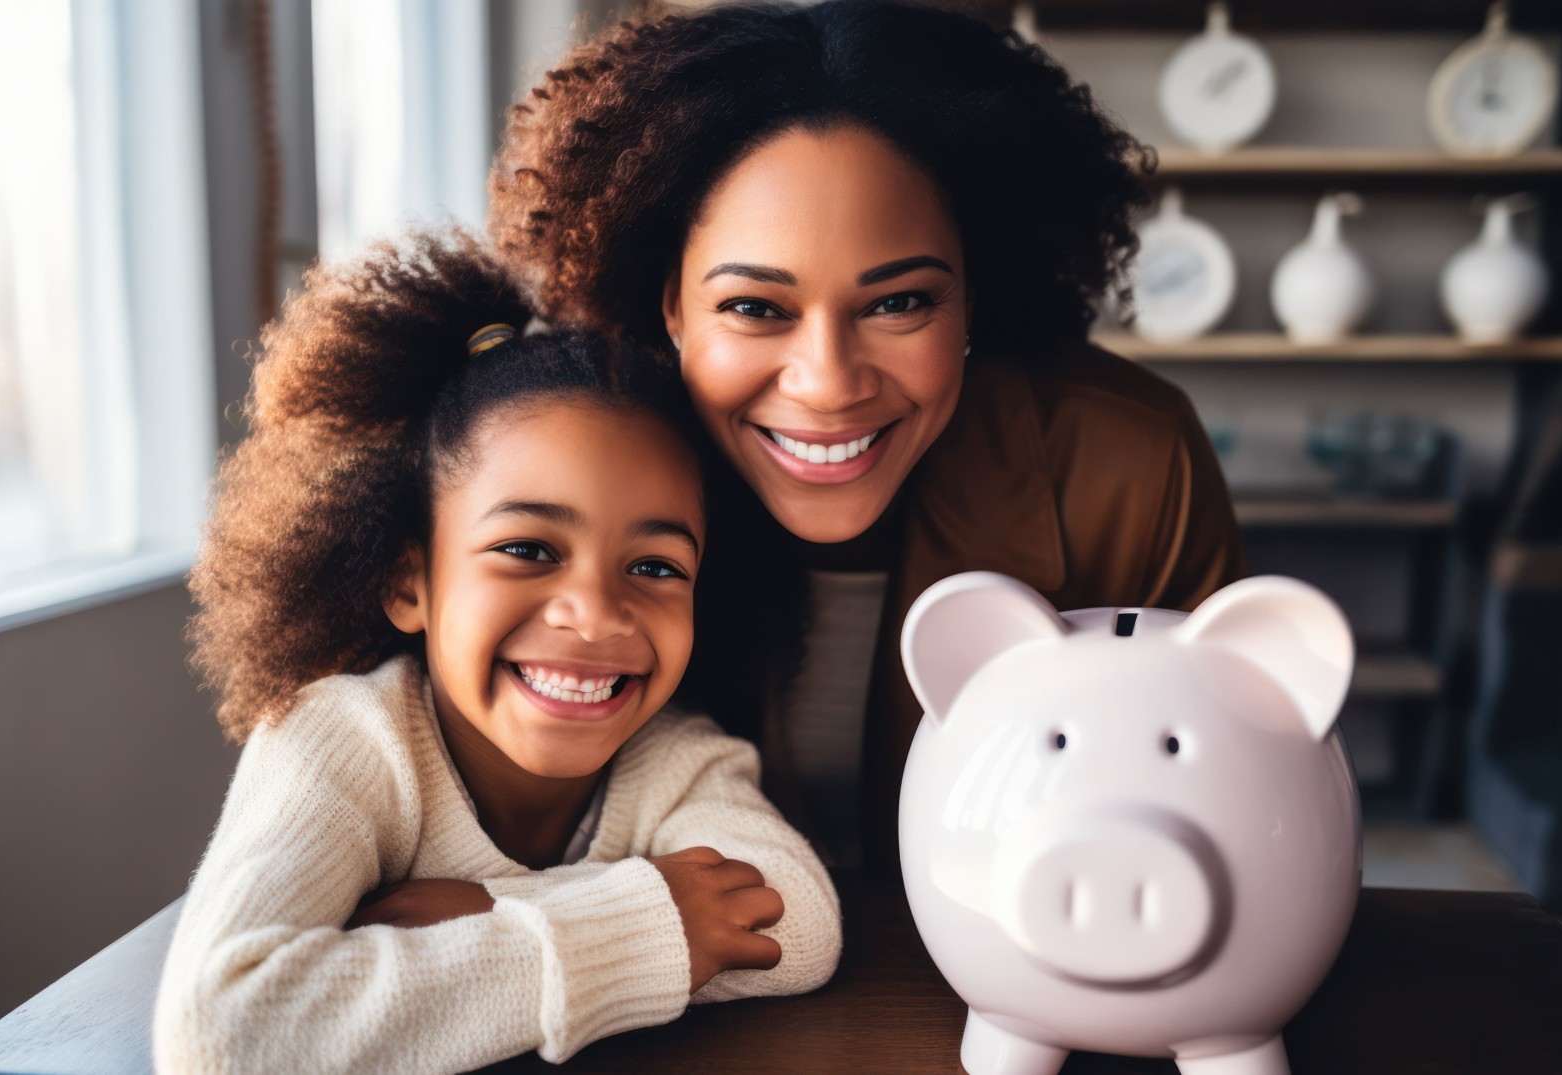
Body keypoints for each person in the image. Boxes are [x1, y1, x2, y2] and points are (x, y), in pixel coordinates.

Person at [488, 0, 1247, 868]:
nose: (829, 382)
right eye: (754, 307)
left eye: (898, 303)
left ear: (973, 297)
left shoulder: (1131, 468)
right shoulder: (540, 463)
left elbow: (1235, 812)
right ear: (671, 307)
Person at [153, 230, 841, 1073]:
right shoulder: (342, 740)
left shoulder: (672, 754)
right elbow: (225, 1027)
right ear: (411, 582)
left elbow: (799, 925)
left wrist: (482, 907)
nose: (594, 615)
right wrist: (652, 922)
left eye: (656, 566)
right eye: (528, 549)